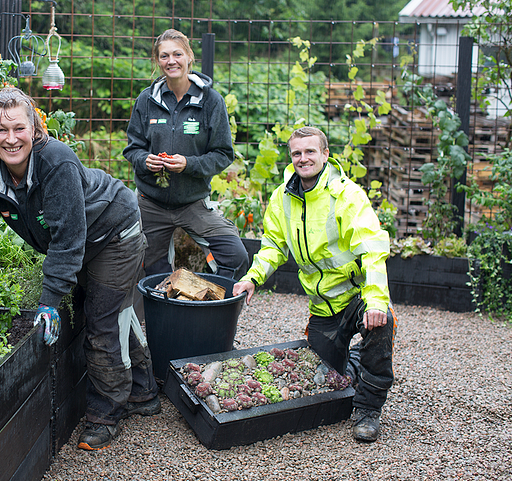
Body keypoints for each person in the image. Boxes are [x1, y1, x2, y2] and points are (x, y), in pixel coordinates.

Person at [0, 87, 160, 451]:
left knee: (102, 321)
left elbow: (68, 241)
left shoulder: (56, 162)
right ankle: (143, 392)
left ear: (35, 128)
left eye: (19, 129)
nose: (11, 139)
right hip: (82, 240)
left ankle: (106, 414)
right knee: (114, 312)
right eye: (1, 130)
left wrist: (49, 301)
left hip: (113, 232)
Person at [232, 126, 396, 443]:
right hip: (323, 307)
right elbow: (272, 247)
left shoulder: (346, 195)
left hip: (356, 297)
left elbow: (372, 250)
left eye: (310, 151)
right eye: (297, 153)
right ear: (291, 157)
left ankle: (368, 410)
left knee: (382, 322)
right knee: (328, 379)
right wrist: (252, 278)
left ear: (325, 154)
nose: (303, 158)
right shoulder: (282, 199)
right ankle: (356, 360)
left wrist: (375, 301)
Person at [123, 29, 249, 280]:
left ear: (189, 57)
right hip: (151, 203)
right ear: (157, 61)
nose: (171, 61)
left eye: (177, 54)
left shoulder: (211, 101)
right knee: (145, 268)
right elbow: (132, 148)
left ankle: (214, 310)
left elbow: (223, 154)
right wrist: (144, 160)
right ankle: (160, 312)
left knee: (236, 256)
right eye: (164, 56)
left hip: (193, 203)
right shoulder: (147, 100)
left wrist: (188, 164)